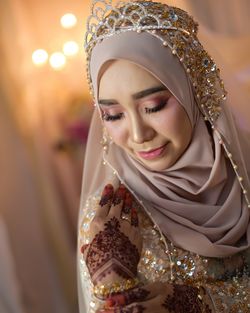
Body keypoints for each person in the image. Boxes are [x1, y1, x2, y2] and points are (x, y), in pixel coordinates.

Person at [78, 1, 250, 312]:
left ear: (193, 90)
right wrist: (112, 288)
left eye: (154, 106)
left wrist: (207, 305)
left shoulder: (245, 169)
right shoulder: (112, 219)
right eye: (113, 115)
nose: (139, 134)